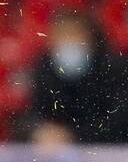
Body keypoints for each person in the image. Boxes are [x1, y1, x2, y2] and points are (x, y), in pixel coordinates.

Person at [27, 9, 128, 145]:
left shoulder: (114, 69)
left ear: (90, 38)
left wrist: (72, 136)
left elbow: (119, 121)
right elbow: (31, 114)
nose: (69, 41)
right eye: (63, 35)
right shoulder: (44, 70)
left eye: (74, 34)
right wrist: (40, 131)